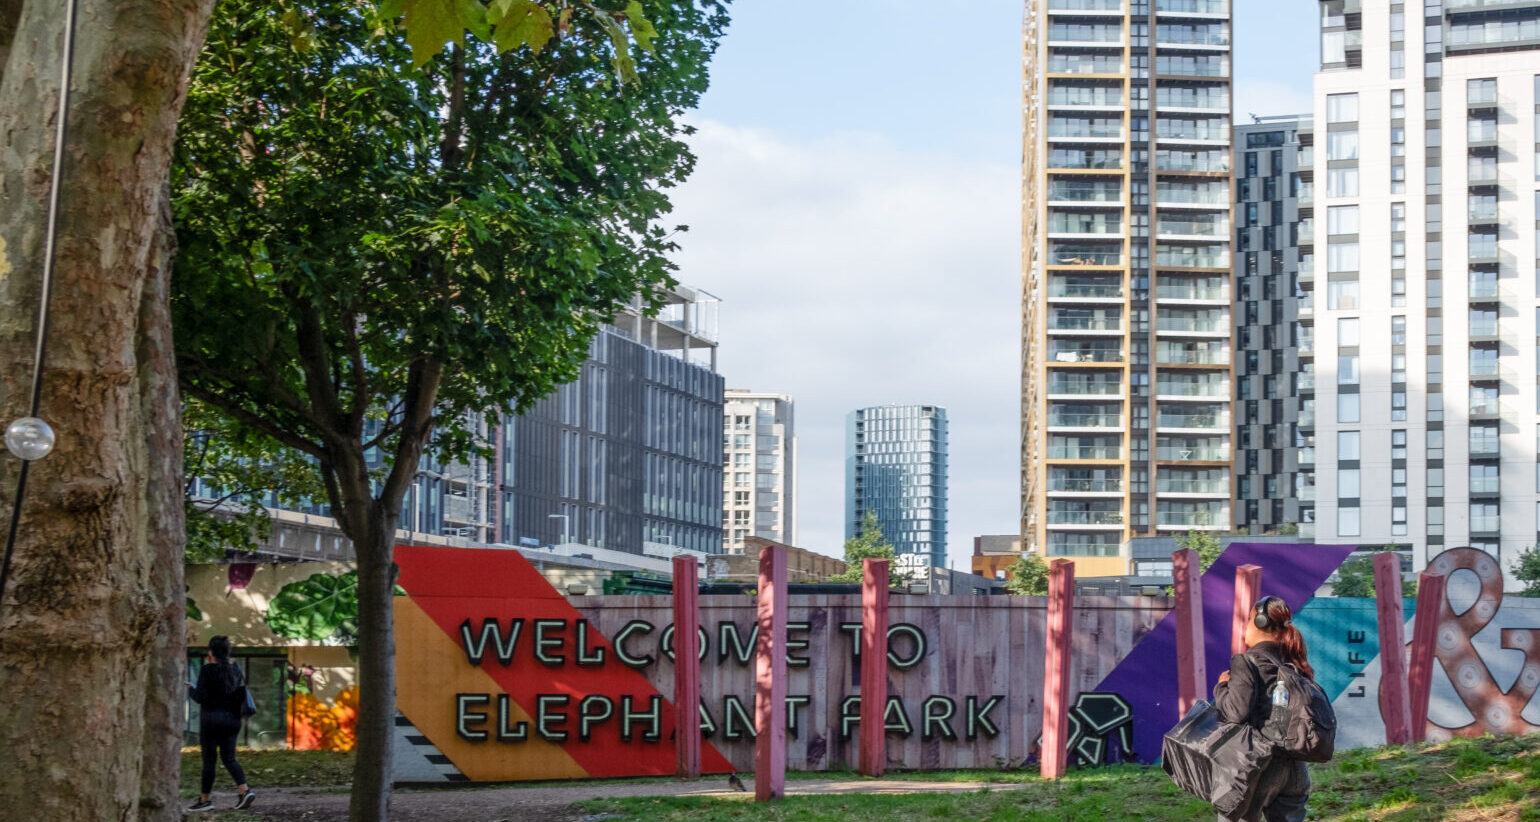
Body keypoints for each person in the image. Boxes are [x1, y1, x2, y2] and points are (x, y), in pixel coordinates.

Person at [1212, 595, 1314, 822]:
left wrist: (1221, 688)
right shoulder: (1294, 663)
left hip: (1256, 766)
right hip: (1295, 767)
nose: (1245, 627)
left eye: (1248, 620)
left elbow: (1236, 712)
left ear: (1258, 623)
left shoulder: (1246, 661)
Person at [187, 636, 255, 812]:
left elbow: (200, 697)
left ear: (212, 652)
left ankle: (205, 800)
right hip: (232, 720)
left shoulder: (207, 670)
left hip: (211, 721)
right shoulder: (236, 669)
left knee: (209, 762)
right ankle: (244, 790)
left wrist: (191, 689)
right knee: (229, 759)